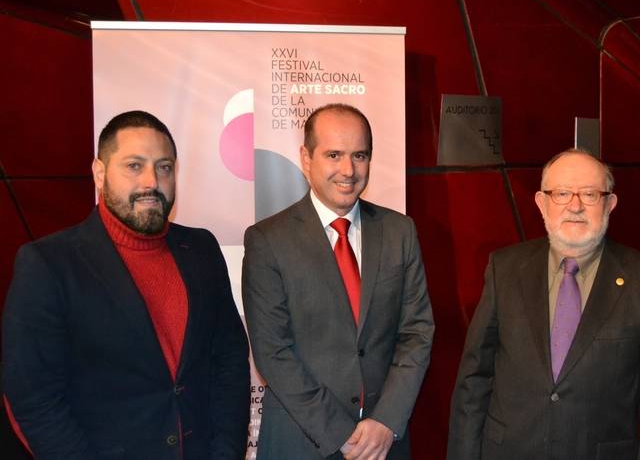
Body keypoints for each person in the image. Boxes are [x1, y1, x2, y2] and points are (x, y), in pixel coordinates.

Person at [2, 110, 250, 459]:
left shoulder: (201, 249)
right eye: (134, 166)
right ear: (99, 173)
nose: (151, 181)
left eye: (164, 167)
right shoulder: (47, 264)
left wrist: (225, 453)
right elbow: (33, 398)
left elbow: (229, 361)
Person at [447, 148, 640, 459]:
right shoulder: (503, 269)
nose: (575, 206)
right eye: (561, 193)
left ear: (609, 204)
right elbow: (473, 382)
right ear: (541, 204)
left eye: (589, 194)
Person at [242, 103, 434, 460]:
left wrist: (385, 422)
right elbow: (273, 352)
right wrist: (342, 434)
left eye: (359, 155)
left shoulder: (399, 231)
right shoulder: (268, 240)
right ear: (306, 157)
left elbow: (417, 333)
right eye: (334, 155)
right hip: (302, 441)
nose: (348, 170)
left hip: (383, 444)